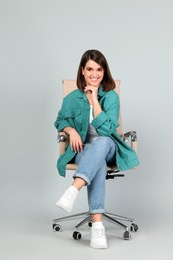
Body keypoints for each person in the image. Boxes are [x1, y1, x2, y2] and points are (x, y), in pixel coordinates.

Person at [54, 49, 140, 249]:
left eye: (99, 69)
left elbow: (109, 129)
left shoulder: (110, 97)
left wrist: (94, 100)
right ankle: (97, 227)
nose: (95, 74)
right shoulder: (72, 98)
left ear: (104, 71)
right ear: (82, 71)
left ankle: (74, 188)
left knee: (102, 143)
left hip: (109, 146)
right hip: (83, 148)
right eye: (90, 69)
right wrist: (71, 131)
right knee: (96, 160)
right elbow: (60, 120)